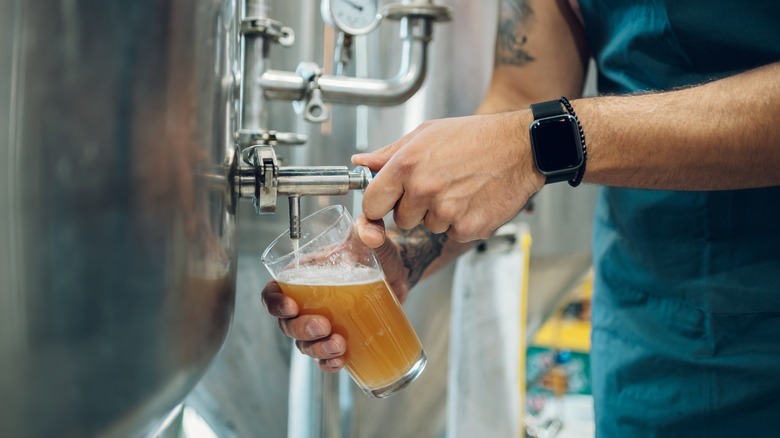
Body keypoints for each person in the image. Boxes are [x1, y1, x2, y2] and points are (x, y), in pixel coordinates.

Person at [262, 0, 780, 435]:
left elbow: (526, 134)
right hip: (651, 332)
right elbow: (524, 88)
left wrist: (537, 142)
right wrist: (407, 251)